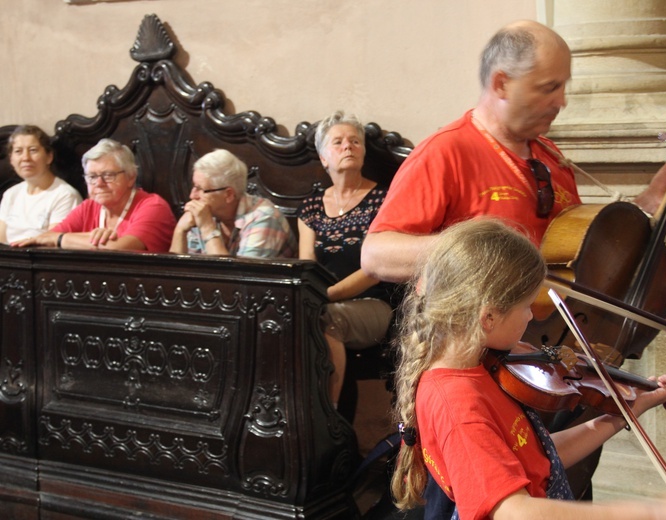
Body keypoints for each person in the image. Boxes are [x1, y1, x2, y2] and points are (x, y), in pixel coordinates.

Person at [390, 218, 666, 520]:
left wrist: (621, 414)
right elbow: (514, 511)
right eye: (527, 306)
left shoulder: (483, 368)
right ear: (487, 317)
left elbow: (537, 459)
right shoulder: (459, 406)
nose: (531, 317)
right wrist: (653, 514)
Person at [360, 20, 666, 283]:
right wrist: (476, 251)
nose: (562, 101)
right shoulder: (446, 150)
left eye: (563, 86)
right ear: (501, 84)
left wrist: (650, 204)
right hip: (478, 349)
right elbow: (375, 255)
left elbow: (574, 249)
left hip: (551, 343)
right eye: (548, 88)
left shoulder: (550, 155)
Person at [297, 111, 394, 410]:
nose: (348, 147)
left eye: (355, 141)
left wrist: (325, 297)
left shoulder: (384, 199)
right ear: (324, 158)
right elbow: (306, 265)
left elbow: (375, 270)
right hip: (321, 299)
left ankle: (328, 420)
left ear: (364, 152)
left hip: (375, 304)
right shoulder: (311, 207)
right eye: (337, 142)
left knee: (328, 318)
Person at [13, 138, 176, 252]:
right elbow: (47, 239)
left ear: (131, 177)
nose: (99, 183)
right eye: (92, 177)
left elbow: (119, 249)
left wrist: (63, 240)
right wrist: (91, 237)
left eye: (108, 175)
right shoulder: (89, 206)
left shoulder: (153, 206)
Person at [169, 149, 297, 258]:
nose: (192, 196)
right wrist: (180, 230)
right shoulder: (206, 213)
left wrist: (208, 229)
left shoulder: (264, 217)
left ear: (229, 194)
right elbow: (175, 274)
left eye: (200, 189)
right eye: (193, 186)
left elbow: (238, 281)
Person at [0, 125, 82, 243]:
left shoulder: (65, 195)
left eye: (33, 150)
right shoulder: (11, 194)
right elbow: (1, 242)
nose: (25, 158)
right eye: (18, 151)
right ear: (11, 160)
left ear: (49, 156)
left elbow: (52, 243)